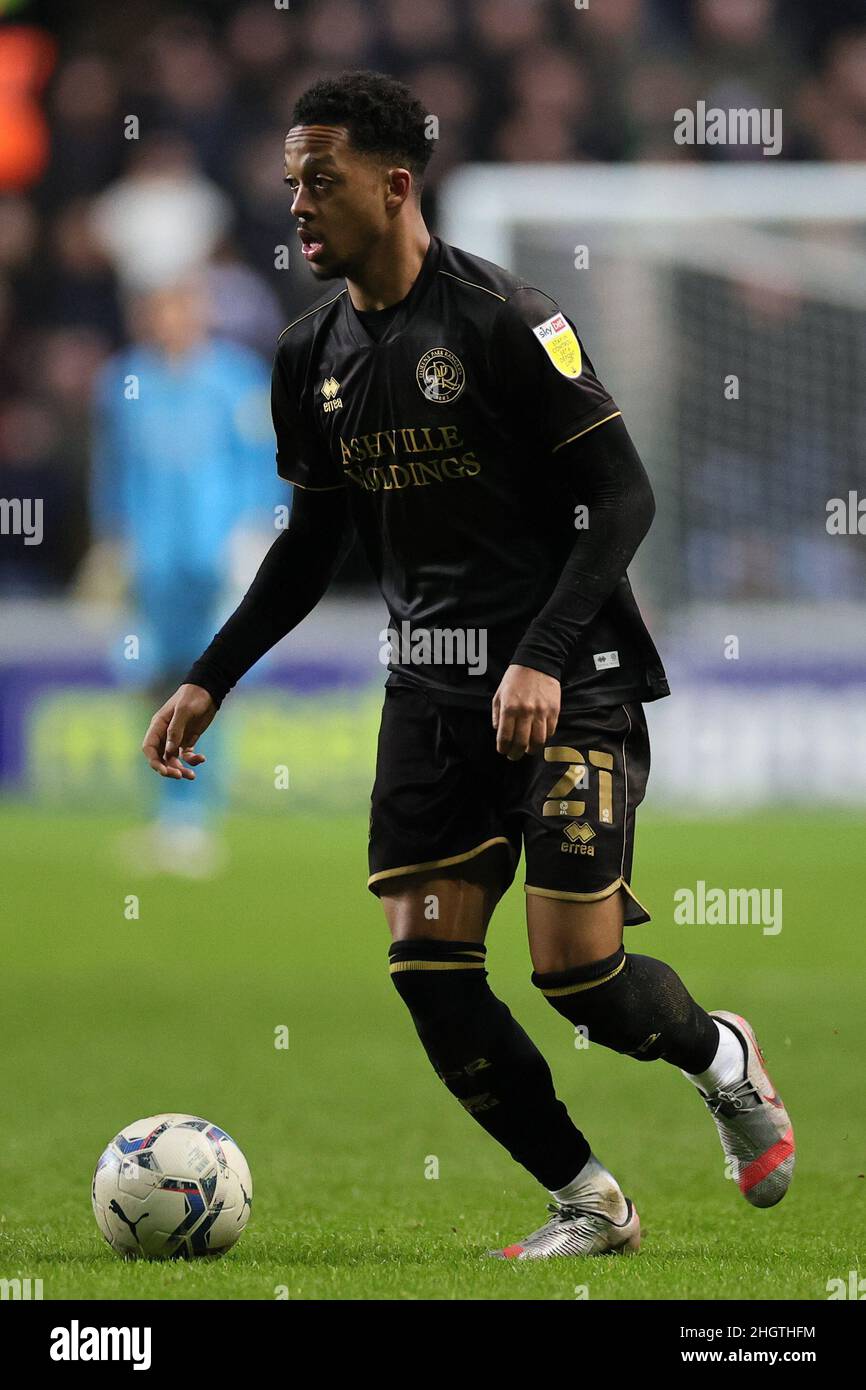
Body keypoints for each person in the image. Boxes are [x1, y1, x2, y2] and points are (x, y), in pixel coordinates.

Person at [141, 71, 794, 1257]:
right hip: (430, 699)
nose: (298, 204)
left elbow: (622, 494)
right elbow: (312, 543)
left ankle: (722, 1058)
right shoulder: (308, 354)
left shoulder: (505, 318)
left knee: (575, 974)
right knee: (427, 967)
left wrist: (541, 654)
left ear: (394, 186)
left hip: (568, 680)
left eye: (320, 181)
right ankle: (588, 1200)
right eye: (291, 181)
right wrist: (208, 675)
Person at [92, 274, 276, 874]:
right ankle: (169, 811)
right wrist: (112, 541)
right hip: (153, 562)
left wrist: (255, 533)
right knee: (152, 683)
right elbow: (113, 471)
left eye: (182, 307)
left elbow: (262, 464)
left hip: (214, 557)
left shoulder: (235, 380)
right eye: (160, 308)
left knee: (205, 687)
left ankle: (196, 816)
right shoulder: (122, 382)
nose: (171, 319)